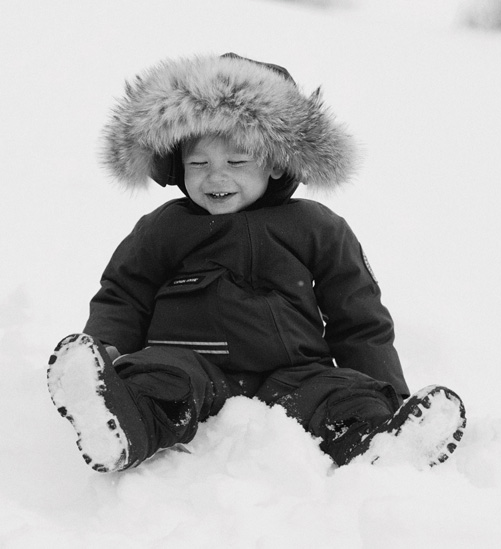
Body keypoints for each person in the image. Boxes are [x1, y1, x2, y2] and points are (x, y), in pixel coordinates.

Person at [46, 53, 466, 473]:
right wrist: (107, 349)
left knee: (340, 397)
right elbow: (124, 293)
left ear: (276, 162)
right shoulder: (165, 227)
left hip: (295, 374)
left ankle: (379, 440)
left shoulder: (316, 226)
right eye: (199, 163)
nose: (216, 178)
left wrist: (386, 387)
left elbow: (358, 315)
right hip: (189, 362)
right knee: (158, 380)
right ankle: (120, 424)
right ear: (177, 166)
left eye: (236, 162)